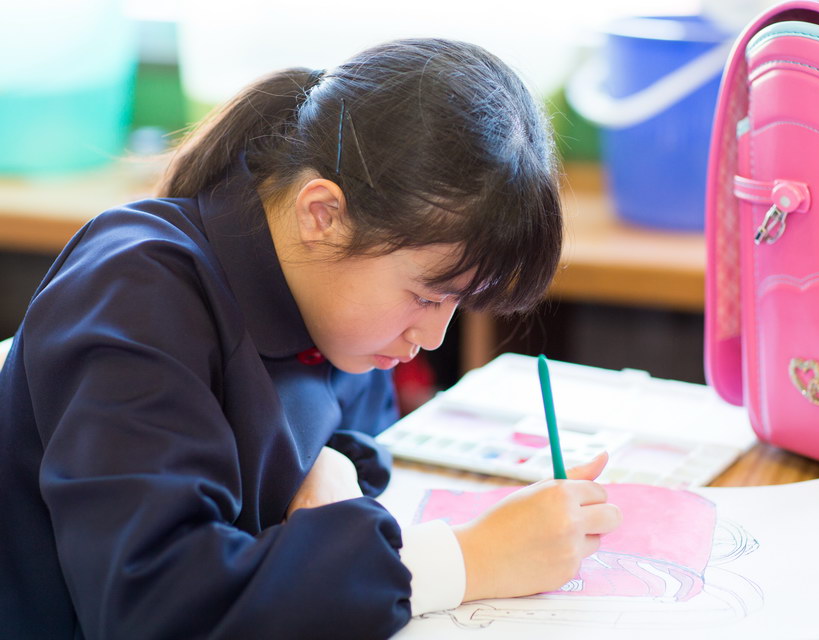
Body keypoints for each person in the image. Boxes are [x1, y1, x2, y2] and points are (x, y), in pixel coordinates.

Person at [0, 38, 622, 639]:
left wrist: (333, 465)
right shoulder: (137, 294)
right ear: (321, 214)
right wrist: (465, 560)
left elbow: (360, 441)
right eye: (427, 296)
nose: (433, 337)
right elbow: (153, 608)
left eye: (457, 304)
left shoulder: (331, 305)